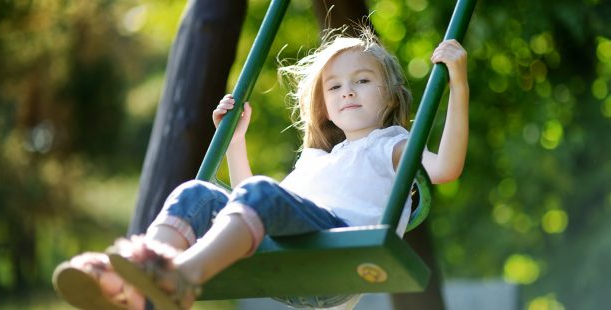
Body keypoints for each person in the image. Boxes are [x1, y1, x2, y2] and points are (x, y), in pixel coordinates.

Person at [52, 28, 468, 310]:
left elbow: (446, 168)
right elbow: (253, 207)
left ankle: (183, 277)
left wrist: (458, 83)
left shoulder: (392, 145)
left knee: (266, 194)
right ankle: (142, 272)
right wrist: (235, 144)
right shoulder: (317, 158)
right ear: (324, 104)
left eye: (362, 80)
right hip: (289, 261)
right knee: (194, 193)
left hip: (336, 264)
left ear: (391, 95)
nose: (347, 92)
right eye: (335, 86)